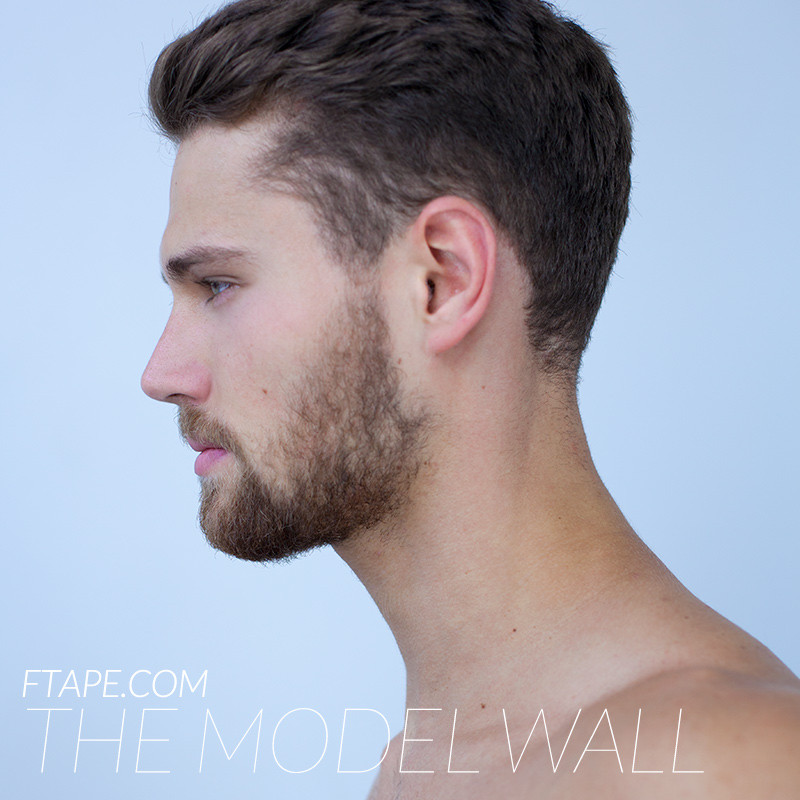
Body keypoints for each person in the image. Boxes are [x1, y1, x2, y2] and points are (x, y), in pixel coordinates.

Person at [140, 0, 800, 796]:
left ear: (442, 281)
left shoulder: (726, 767)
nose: (162, 373)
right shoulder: (417, 772)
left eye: (217, 285)